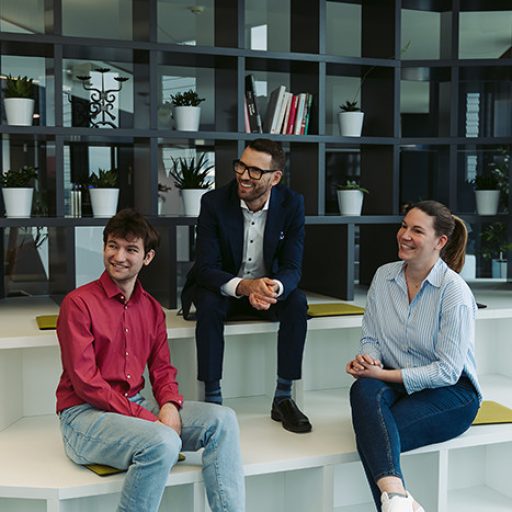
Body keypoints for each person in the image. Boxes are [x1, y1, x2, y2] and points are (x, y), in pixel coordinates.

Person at [56, 208, 245, 512]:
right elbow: (86, 383)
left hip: (136, 406)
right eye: (112, 246)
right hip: (84, 417)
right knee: (163, 441)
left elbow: (162, 369)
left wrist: (169, 406)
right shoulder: (78, 304)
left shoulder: (152, 309)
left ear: (147, 257)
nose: (119, 256)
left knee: (223, 420)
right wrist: (152, 421)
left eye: (131, 249)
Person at [346, 200, 481, 512]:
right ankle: (397, 499)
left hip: (450, 393)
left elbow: (447, 372)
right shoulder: (384, 277)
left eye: (417, 230)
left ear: (440, 242)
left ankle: (394, 500)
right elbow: (371, 337)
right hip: (396, 381)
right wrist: (369, 361)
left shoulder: (454, 292)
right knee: (362, 388)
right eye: (404, 226)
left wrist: (381, 375)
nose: (404, 235)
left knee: (373, 440)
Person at [181, 138, 311, 434]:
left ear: (275, 178)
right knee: (209, 305)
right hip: (223, 288)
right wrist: (246, 287)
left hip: (265, 290)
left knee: (297, 303)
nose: (243, 176)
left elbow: (292, 267)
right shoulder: (214, 203)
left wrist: (271, 289)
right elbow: (205, 269)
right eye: (241, 166)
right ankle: (213, 397)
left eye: (255, 171)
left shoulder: (292, 204)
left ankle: (283, 397)